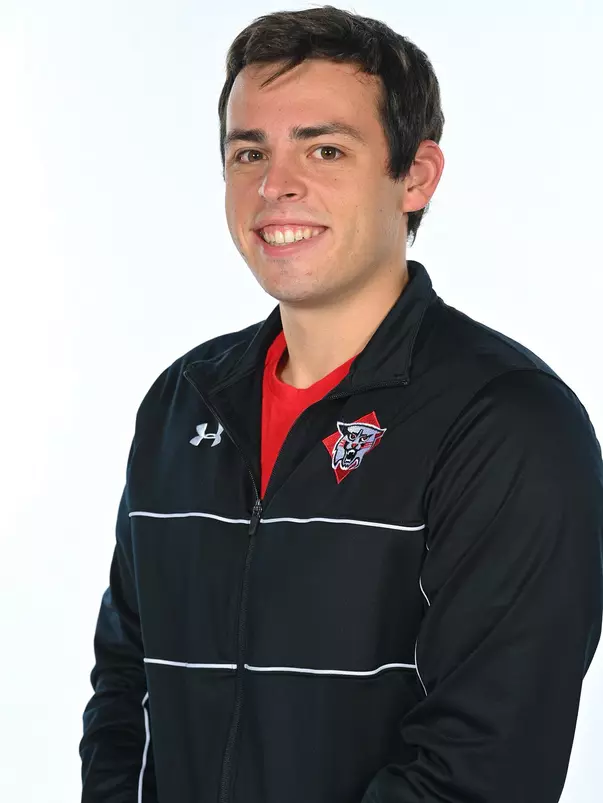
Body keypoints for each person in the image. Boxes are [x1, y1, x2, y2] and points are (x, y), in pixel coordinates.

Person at [80, 6, 603, 803]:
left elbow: (485, 764)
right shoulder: (182, 402)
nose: (274, 186)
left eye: (324, 149)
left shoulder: (508, 422)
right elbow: (124, 686)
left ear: (414, 175)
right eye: (249, 152)